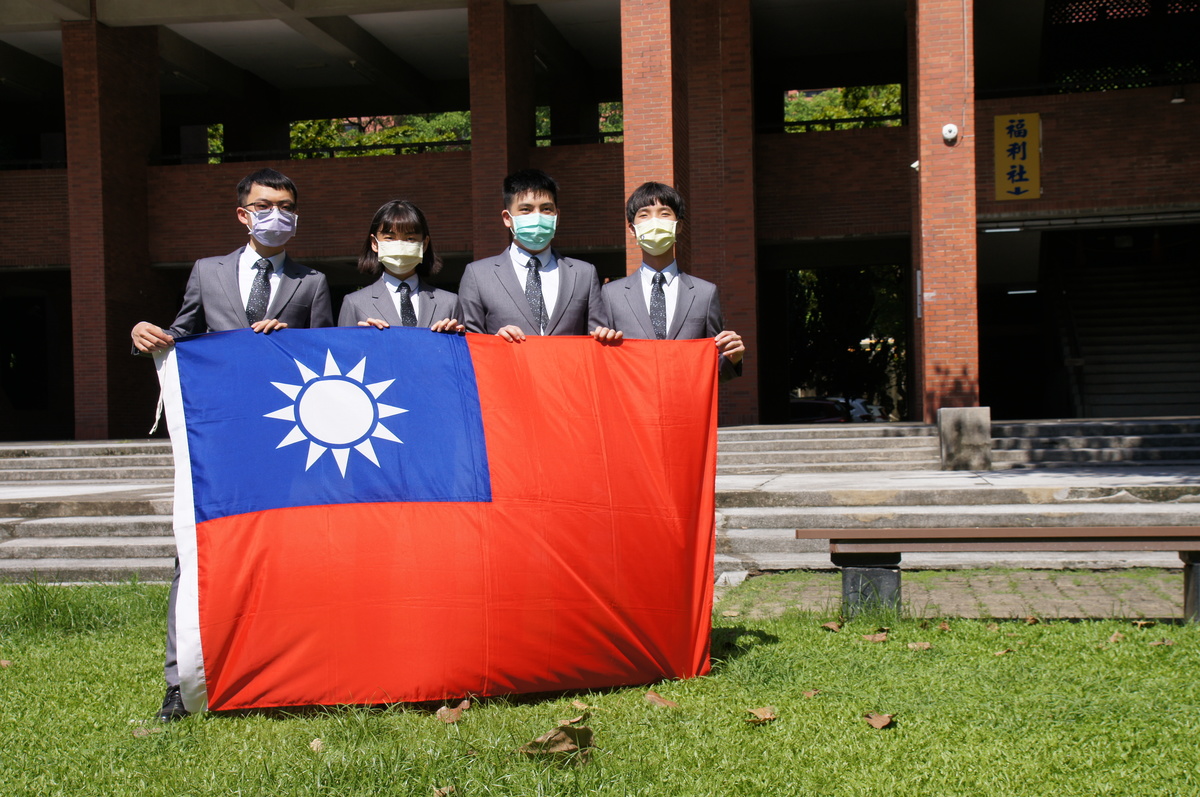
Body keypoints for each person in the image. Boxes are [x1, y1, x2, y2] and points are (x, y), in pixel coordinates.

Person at [129, 168, 333, 722]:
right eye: (266, 205)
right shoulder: (206, 271)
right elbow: (183, 337)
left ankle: (284, 673)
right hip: (220, 442)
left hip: (289, 444)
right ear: (243, 214)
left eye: (288, 205)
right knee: (196, 557)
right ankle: (181, 681)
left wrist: (294, 342)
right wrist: (145, 336)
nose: (278, 215)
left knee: (286, 556)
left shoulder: (312, 282)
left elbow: (328, 364)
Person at [602, 181, 744, 381]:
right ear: (632, 229)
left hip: (686, 407)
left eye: (664, 213)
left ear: (679, 226)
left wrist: (732, 358)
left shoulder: (705, 293)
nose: (655, 221)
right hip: (632, 408)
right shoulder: (611, 294)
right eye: (644, 214)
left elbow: (714, 369)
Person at [457, 168, 619, 342]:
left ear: (557, 215)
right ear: (507, 217)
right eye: (526, 209)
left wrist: (605, 338)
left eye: (546, 209)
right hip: (508, 368)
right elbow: (469, 344)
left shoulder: (584, 274)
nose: (537, 216)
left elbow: (597, 337)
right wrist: (495, 343)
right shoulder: (478, 275)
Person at [338, 199, 461, 332]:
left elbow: (463, 351)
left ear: (424, 244)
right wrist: (362, 340)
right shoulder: (355, 303)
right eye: (390, 238)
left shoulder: (449, 303)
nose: (400, 245)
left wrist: (455, 339)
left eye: (410, 239)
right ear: (374, 243)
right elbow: (343, 350)